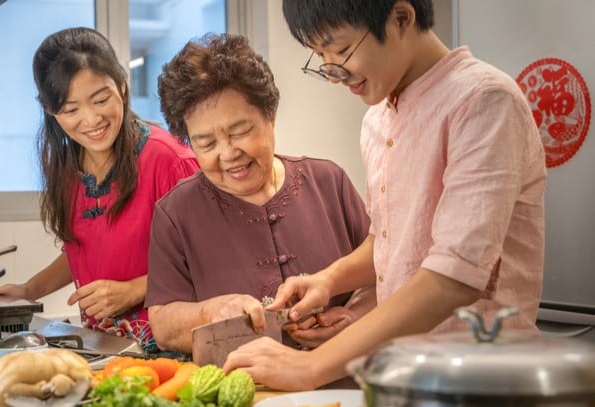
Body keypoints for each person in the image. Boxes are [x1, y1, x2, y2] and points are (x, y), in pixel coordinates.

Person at [223, 0, 546, 390]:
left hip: (481, 379)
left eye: (340, 50)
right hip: (402, 376)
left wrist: (308, 367)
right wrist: (330, 279)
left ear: (401, 18)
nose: (333, 73)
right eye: (320, 55)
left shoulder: (483, 102)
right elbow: (389, 240)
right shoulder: (377, 119)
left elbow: (455, 277)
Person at [145, 33, 375, 355]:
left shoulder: (327, 182)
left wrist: (354, 316)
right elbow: (164, 323)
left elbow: (381, 271)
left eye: (240, 132)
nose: (227, 153)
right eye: (206, 143)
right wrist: (211, 313)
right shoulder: (176, 214)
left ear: (270, 116)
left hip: (342, 378)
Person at [0, 27, 199, 353]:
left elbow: (208, 260)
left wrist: (135, 290)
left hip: (170, 351)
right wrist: (29, 290)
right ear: (50, 110)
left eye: (101, 100)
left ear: (122, 89)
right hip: (106, 349)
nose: (90, 119)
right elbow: (82, 251)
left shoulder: (168, 159)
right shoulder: (70, 167)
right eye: (71, 110)